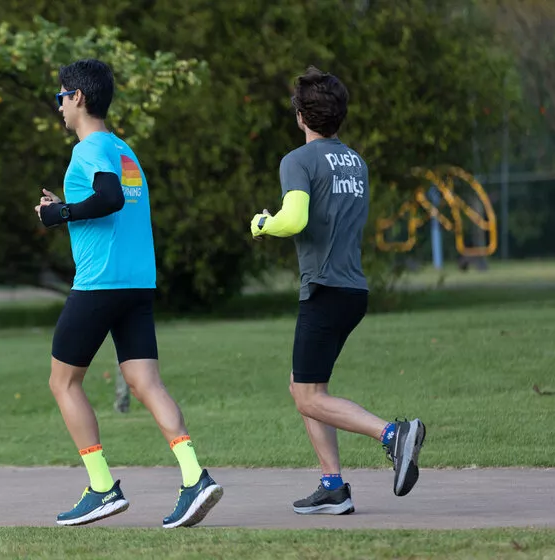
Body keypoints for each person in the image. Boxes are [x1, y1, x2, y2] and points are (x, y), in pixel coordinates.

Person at [35, 58, 223, 528]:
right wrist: (69, 208)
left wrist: (59, 215)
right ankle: (194, 477)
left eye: (61, 97)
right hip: (138, 283)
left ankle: (101, 487)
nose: (59, 106)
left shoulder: (90, 150)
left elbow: (110, 197)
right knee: (146, 383)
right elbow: (115, 200)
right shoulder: (124, 150)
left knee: (63, 382)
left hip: (100, 284)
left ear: (77, 97)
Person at [249, 66, 426, 515]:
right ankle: (333, 487)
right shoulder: (355, 161)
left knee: (307, 395)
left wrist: (263, 224)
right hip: (352, 289)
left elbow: (295, 220)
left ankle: (394, 434)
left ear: (300, 116)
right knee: (305, 386)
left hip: (325, 289)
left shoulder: (298, 160)